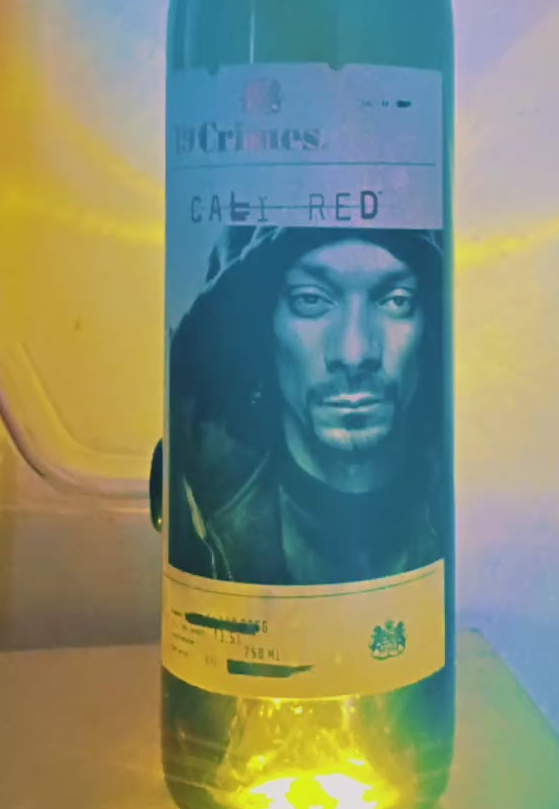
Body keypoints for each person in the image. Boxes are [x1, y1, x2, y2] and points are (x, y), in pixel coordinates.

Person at [161, 224, 444, 586]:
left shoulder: (479, 512)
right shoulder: (194, 511)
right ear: (262, 328)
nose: (354, 353)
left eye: (397, 301)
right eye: (310, 299)